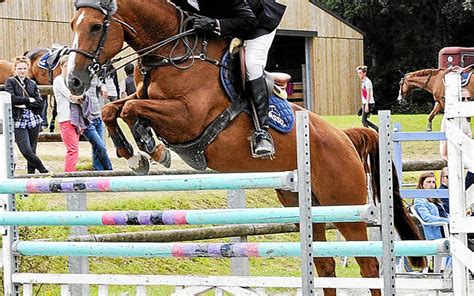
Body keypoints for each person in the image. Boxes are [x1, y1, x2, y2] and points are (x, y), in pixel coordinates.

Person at [171, 0, 286, 158]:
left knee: (251, 65)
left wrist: (214, 24)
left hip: (258, 24)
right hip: (230, 23)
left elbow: (250, 21)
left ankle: (262, 133)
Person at [4, 56, 48, 174]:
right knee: (26, 150)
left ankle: (31, 177)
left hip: (33, 119)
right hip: (19, 120)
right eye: (19, 68)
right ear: (15, 69)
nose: (22, 71)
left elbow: (39, 103)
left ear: (27, 69)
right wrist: (29, 101)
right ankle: (44, 170)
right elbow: (12, 99)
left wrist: (25, 104)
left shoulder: (32, 84)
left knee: (32, 151)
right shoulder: (11, 82)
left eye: (24, 68)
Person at [53, 55, 84, 172]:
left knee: (74, 149)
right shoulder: (59, 81)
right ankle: (69, 175)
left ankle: (71, 172)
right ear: (61, 67)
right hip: (65, 118)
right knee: (72, 149)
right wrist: (80, 98)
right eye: (66, 66)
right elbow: (71, 97)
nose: (68, 68)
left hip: (75, 118)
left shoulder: (71, 81)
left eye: (70, 66)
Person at [83, 76, 113, 171]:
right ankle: (109, 170)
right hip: (88, 119)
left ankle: (98, 170)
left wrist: (103, 86)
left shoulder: (93, 75)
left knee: (97, 147)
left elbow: (100, 83)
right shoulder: (77, 77)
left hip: (97, 116)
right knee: (101, 147)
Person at [413, 172, 449, 240]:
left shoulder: (435, 198)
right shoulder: (420, 200)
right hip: (437, 232)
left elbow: (444, 214)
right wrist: (447, 220)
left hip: (447, 228)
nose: (432, 185)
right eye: (428, 182)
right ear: (421, 184)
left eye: (433, 182)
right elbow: (427, 217)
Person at [356, 65, 378, 132]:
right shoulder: (363, 82)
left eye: (360, 73)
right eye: (358, 73)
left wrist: (367, 105)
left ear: (364, 73)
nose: (358, 75)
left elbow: (368, 94)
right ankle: (377, 129)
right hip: (366, 103)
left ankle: (369, 132)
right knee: (363, 119)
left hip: (369, 103)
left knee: (363, 120)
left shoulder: (367, 82)